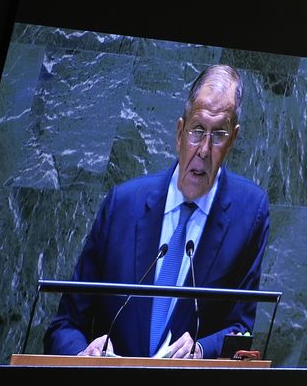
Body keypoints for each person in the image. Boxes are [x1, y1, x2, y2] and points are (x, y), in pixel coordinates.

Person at [43, 64, 270, 359]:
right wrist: (84, 353)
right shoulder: (122, 205)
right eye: (197, 130)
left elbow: (241, 329)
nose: (203, 149)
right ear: (179, 132)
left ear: (233, 140)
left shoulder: (250, 212)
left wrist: (202, 350)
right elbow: (65, 324)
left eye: (218, 135)